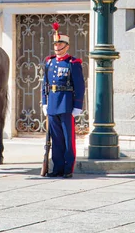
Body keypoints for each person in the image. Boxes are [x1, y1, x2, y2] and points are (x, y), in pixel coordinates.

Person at [41, 23, 85, 178]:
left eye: (60, 44)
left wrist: (77, 106)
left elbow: (80, 86)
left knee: (68, 140)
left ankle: (68, 169)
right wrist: (44, 103)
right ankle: (57, 168)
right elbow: (44, 84)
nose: (57, 46)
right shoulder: (49, 62)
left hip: (66, 104)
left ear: (67, 46)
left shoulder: (73, 63)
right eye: (55, 44)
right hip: (52, 104)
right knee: (56, 139)